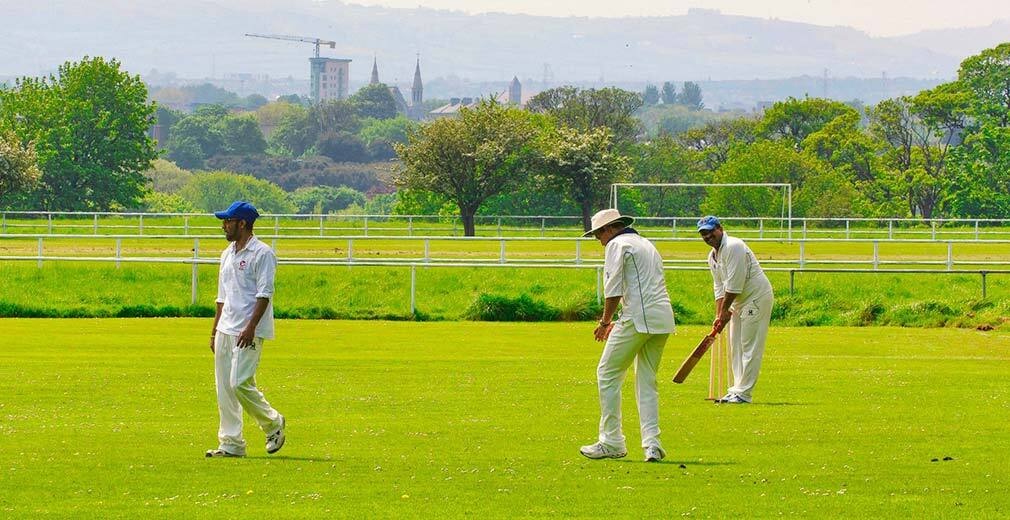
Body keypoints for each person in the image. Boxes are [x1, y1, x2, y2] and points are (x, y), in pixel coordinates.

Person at [579, 208, 675, 462]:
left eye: (598, 235)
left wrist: (605, 322)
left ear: (609, 229)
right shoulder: (646, 243)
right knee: (647, 381)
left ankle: (611, 441)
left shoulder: (617, 244)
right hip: (662, 317)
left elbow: (613, 289)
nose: (599, 241)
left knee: (607, 373)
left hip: (637, 317)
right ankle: (652, 444)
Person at [205, 201, 286, 458]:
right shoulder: (227, 254)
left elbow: (264, 294)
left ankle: (273, 423)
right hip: (225, 329)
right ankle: (231, 443)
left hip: (248, 330)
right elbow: (222, 297)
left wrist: (251, 327)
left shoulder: (262, 253)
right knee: (225, 389)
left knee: (239, 382)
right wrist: (214, 331)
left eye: (228, 221)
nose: (224, 226)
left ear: (242, 224)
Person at [697, 215, 774, 404]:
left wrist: (725, 311)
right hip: (737, 303)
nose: (708, 236)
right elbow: (719, 287)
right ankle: (737, 390)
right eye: (704, 234)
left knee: (749, 346)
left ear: (720, 229)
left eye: (710, 231)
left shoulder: (734, 246)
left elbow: (734, 285)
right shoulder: (712, 257)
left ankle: (743, 393)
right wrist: (719, 315)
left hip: (756, 298)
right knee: (736, 347)